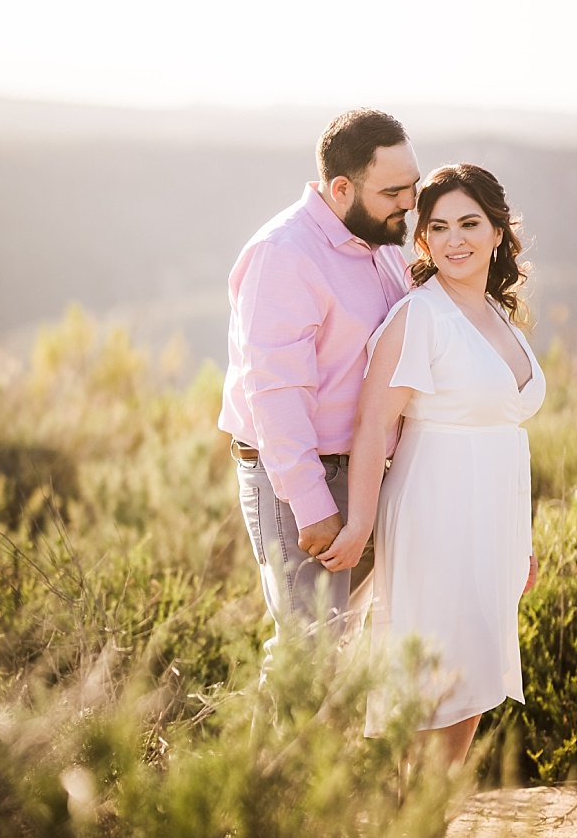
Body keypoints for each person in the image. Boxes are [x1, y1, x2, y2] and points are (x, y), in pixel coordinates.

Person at [325, 166, 547, 772]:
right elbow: (372, 424)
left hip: (493, 511)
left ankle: (429, 825)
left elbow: (505, 430)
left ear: (498, 231)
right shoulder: (420, 317)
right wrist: (361, 523)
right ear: (422, 241)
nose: (455, 240)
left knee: (476, 663)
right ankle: (410, 835)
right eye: (439, 226)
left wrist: (520, 541)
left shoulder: (498, 314)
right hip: (436, 507)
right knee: (433, 677)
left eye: (470, 224)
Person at [219, 110, 419, 661]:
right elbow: (275, 393)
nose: (410, 203)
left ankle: (287, 750)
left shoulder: (378, 242)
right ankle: (275, 754)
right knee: (309, 654)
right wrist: (311, 504)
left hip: (365, 475)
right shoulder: (285, 254)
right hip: (303, 480)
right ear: (341, 187)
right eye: (394, 191)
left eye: (414, 185)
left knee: (337, 646)